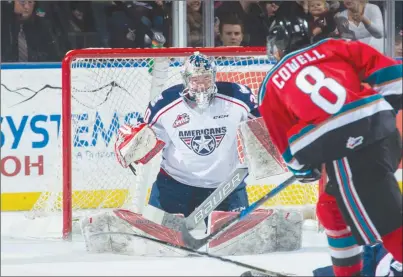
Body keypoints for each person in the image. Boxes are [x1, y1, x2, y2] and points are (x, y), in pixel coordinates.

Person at [258, 16, 402, 276]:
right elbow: (393, 74)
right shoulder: (333, 45)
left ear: (277, 45)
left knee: (387, 221)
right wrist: (384, 112)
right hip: (384, 130)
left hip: (346, 146)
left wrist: (304, 171)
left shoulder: (271, 83)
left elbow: (286, 143)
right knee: (331, 207)